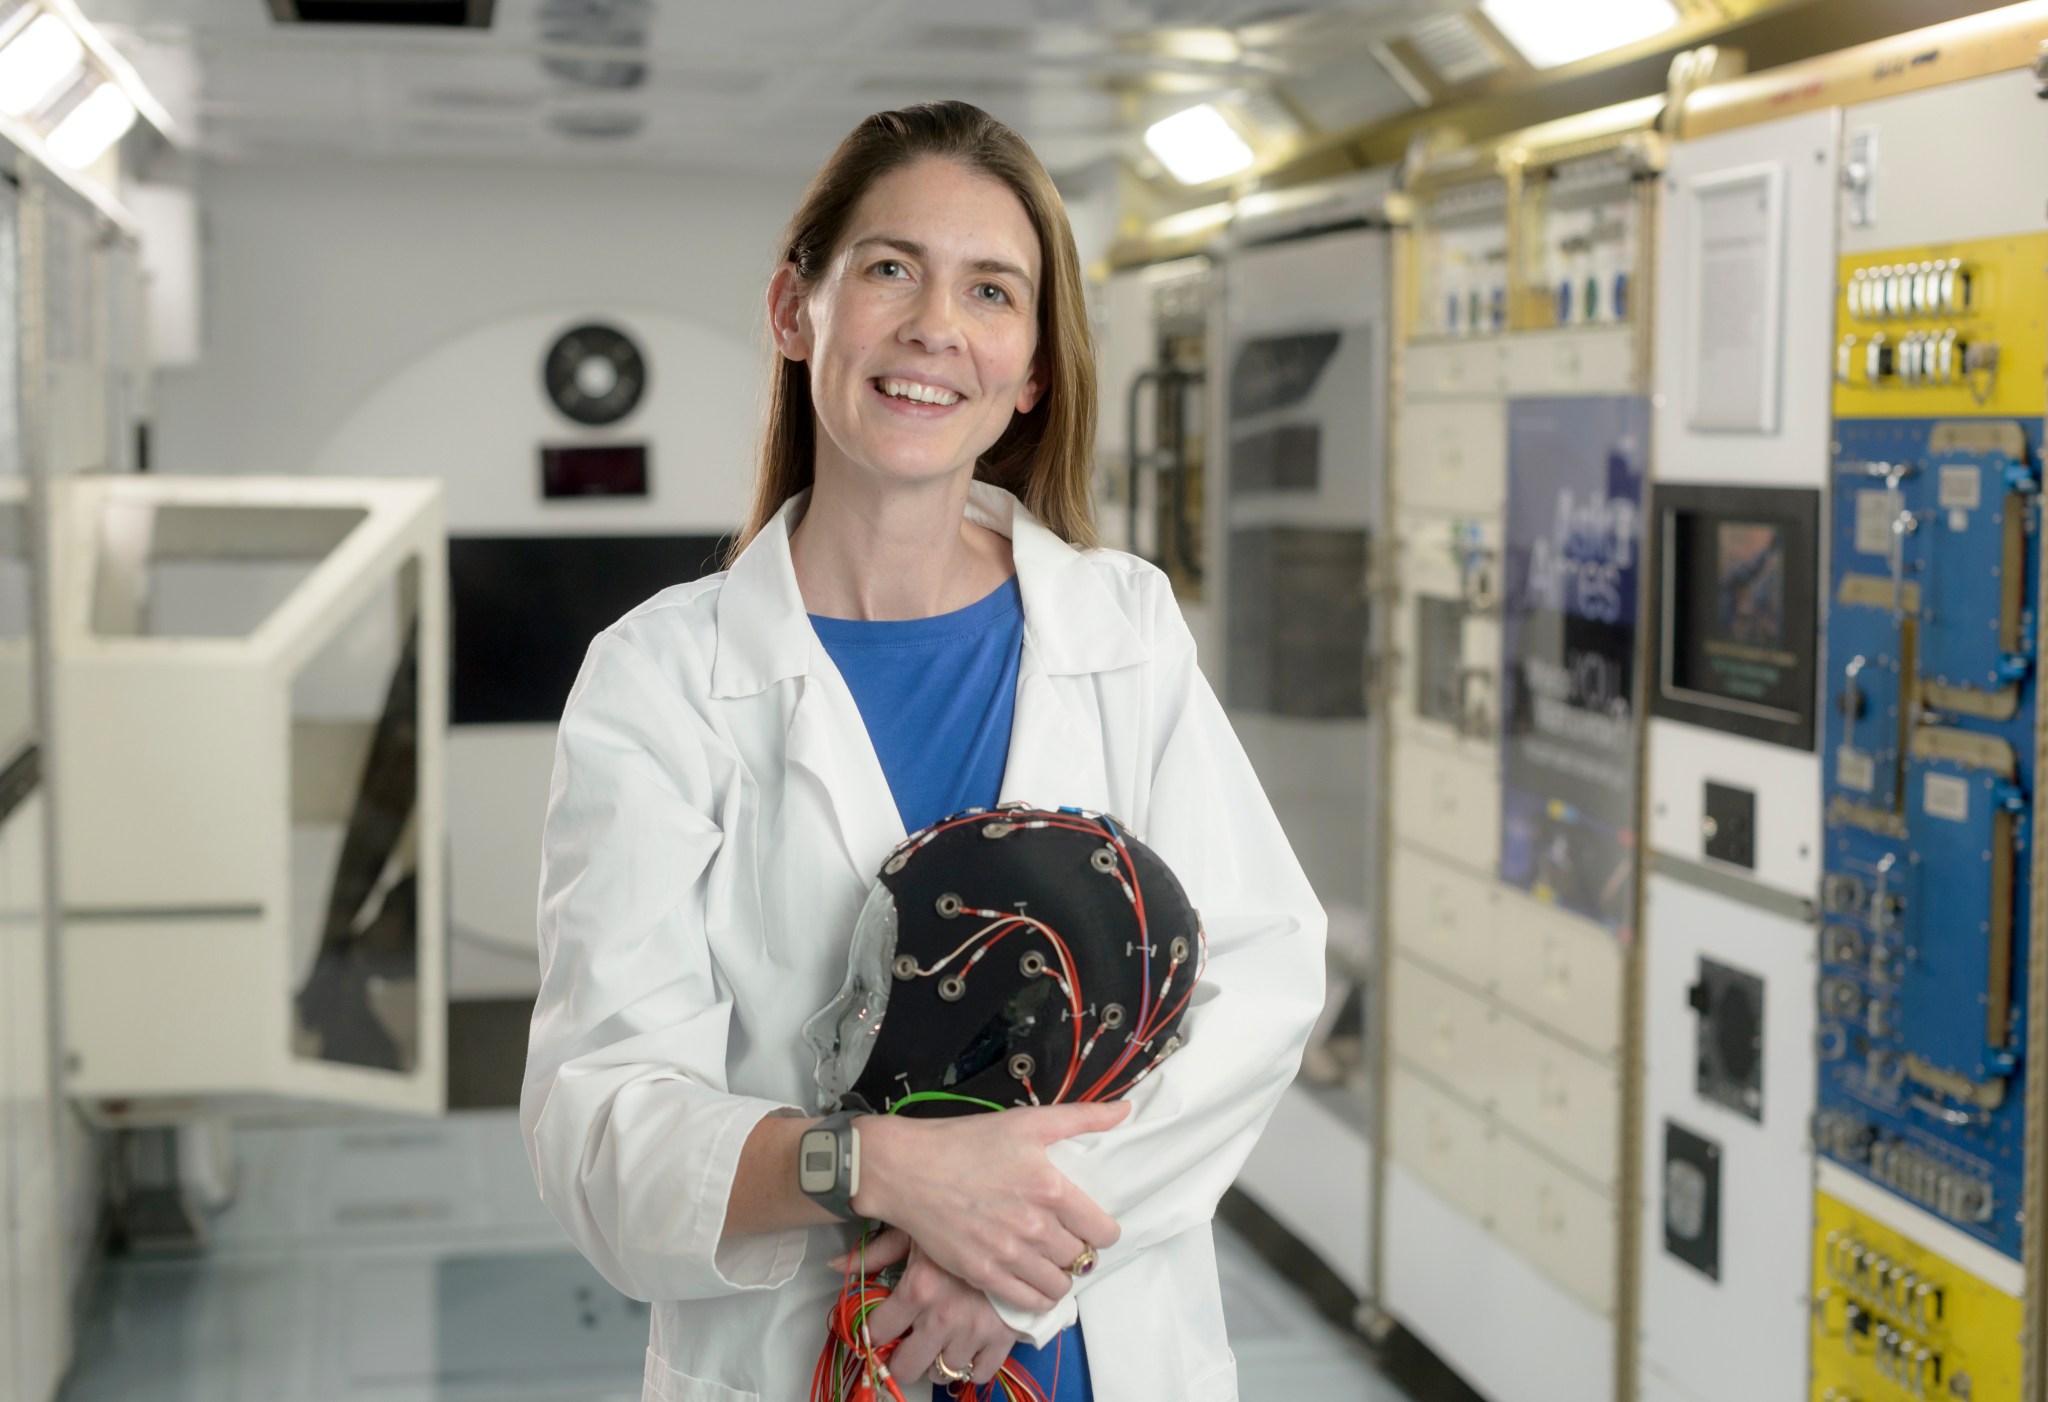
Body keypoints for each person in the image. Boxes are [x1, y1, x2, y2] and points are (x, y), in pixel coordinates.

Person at [521, 100, 1325, 1402]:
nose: (935, 326)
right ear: (797, 309)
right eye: (891, 267)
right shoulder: (661, 680)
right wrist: (876, 1168)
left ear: (1034, 368)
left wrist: (1004, 1250)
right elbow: (600, 1126)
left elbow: (1260, 979)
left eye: (991, 290)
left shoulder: (1120, 631)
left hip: (1089, 1360)